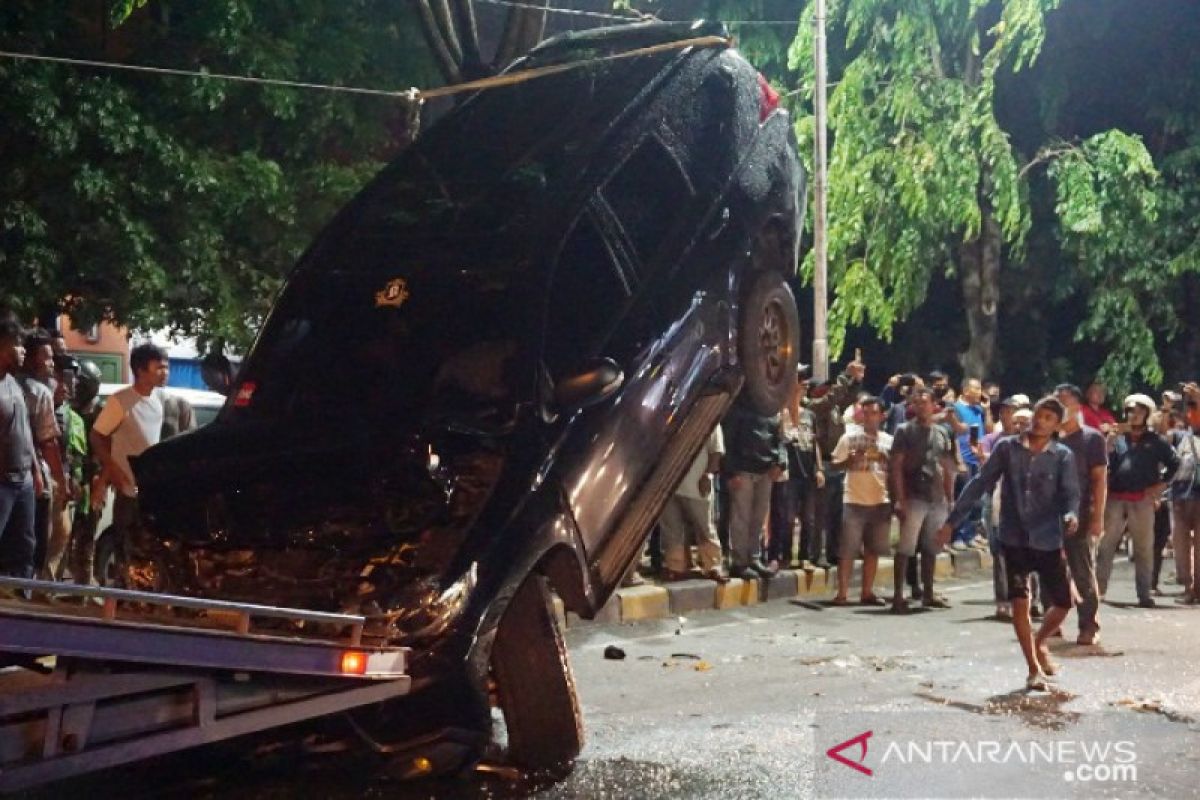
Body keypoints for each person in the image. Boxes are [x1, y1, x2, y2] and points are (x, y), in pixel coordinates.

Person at [938, 397, 1080, 691]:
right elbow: (979, 482)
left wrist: (1071, 515)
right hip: (1014, 536)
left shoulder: (1062, 455)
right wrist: (953, 521)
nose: (1040, 421)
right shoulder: (1007, 448)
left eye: (1048, 418)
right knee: (1020, 600)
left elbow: (1070, 494)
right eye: (1038, 415)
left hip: (1048, 536)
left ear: (1056, 426)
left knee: (1064, 602)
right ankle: (1032, 667)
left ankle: (1040, 643)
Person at [90, 343, 169, 575]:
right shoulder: (120, 401)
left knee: (148, 550)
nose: (165, 372)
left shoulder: (159, 400)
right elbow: (98, 437)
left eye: (167, 367)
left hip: (149, 489)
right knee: (124, 545)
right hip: (127, 490)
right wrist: (111, 472)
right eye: (159, 367)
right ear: (140, 370)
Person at [1096, 393, 1179, 607]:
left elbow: (1175, 463)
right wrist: (1109, 442)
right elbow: (1103, 463)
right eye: (1130, 410)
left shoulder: (1156, 441)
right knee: (1106, 546)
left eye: (1140, 411)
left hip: (1142, 499)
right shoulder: (1117, 438)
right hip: (1115, 497)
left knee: (1144, 547)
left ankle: (1144, 593)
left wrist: (1160, 485)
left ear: (1147, 414)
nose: (1134, 415)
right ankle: (1098, 590)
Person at [890, 387, 956, 612]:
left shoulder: (942, 433)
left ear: (934, 405)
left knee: (932, 546)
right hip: (914, 494)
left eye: (924, 402)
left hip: (936, 496)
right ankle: (898, 594)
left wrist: (951, 498)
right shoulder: (904, 431)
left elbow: (948, 467)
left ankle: (928, 592)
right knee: (906, 546)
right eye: (916, 403)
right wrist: (900, 498)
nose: (920, 406)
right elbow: (896, 466)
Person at [1054, 384, 1108, 645]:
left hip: (1081, 513)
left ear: (1076, 406)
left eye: (1064, 403)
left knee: (1082, 570)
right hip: (1049, 514)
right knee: (1049, 569)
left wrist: (1098, 517)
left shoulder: (1091, 439)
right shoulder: (1049, 438)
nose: (1060, 409)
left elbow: (1099, 480)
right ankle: (1053, 622)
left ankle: (1089, 625)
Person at [829, 397, 892, 606]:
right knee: (848, 549)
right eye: (865, 413)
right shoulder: (849, 438)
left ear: (882, 416)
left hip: (880, 499)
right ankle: (842, 593)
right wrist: (850, 460)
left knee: (873, 549)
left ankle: (867, 591)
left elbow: (896, 469)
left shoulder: (889, 441)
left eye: (873, 413)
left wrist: (887, 460)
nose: (868, 417)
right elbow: (835, 465)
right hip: (854, 499)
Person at [720, 395, 787, 581]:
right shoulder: (738, 408)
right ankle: (740, 562)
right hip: (743, 469)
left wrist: (780, 463)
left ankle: (754, 557)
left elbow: (780, 440)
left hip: (765, 470)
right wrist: (731, 472)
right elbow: (728, 441)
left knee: (758, 518)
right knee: (741, 517)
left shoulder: (771, 411)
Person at [17, 328, 66, 577]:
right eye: (46, 357)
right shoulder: (39, 393)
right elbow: (48, 443)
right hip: (32, 479)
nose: (51, 363)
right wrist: (61, 480)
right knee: (31, 542)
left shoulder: (8, 384)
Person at [808, 357, 865, 566]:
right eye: (825, 388)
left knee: (836, 513)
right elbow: (832, 399)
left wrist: (856, 381)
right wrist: (845, 376)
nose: (830, 391)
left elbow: (847, 398)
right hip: (821, 464)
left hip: (837, 463)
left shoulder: (833, 409)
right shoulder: (814, 407)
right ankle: (818, 553)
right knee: (819, 515)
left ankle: (834, 551)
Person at [770, 367, 825, 570]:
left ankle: (805, 556)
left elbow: (814, 443)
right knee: (786, 516)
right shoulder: (781, 412)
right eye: (799, 380)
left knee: (808, 517)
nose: (804, 383)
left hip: (807, 470)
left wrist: (819, 469)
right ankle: (783, 555)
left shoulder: (810, 415)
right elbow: (786, 433)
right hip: (789, 472)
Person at [660, 425, 728, 583]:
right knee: (672, 528)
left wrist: (709, 474)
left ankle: (713, 566)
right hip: (669, 483)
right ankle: (676, 567)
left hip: (697, 483)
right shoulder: (672, 412)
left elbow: (716, 451)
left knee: (704, 526)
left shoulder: (707, 412)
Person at [0, 320, 37, 579]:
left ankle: (21, 600)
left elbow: (25, 432)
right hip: (1, 481)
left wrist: (36, 469)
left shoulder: (14, 383)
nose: (23, 350)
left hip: (23, 480)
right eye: (18, 344)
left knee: (25, 546)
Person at [950, 378, 988, 549]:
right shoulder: (955, 408)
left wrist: (987, 410)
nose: (980, 392)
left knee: (977, 501)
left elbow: (989, 430)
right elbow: (954, 436)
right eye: (977, 388)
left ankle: (970, 533)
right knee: (963, 498)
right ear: (965, 390)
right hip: (964, 459)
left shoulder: (978, 410)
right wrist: (958, 460)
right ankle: (957, 535)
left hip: (978, 459)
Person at [1170, 399, 1200, 604]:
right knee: (1180, 546)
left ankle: (1196, 589)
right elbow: (1162, 432)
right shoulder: (1181, 436)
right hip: (1180, 495)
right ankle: (1189, 587)